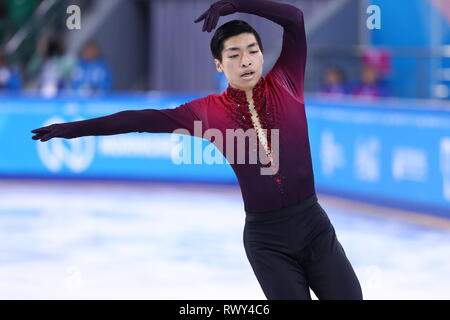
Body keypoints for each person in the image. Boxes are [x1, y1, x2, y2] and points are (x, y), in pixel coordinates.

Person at [31, 0, 362, 300]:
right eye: (234, 55)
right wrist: (75, 128)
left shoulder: (287, 81)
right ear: (219, 65)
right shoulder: (208, 112)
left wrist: (237, 5)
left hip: (314, 227)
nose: (245, 61)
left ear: (263, 54)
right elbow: (142, 119)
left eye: (252, 50)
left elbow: (294, 18)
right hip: (268, 241)